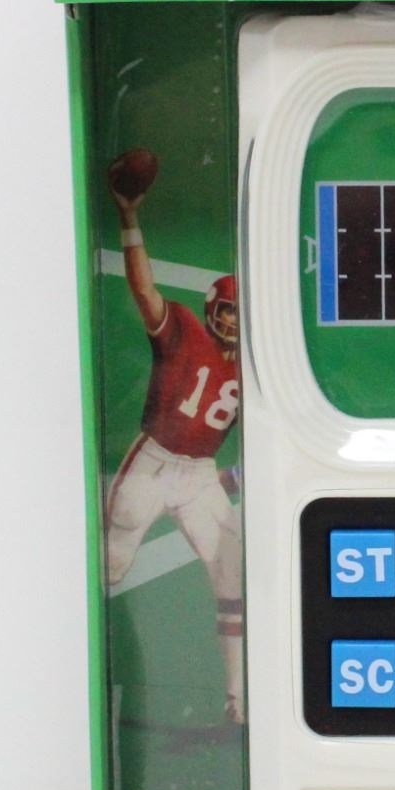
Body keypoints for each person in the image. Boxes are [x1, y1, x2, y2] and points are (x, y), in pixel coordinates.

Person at [105, 176, 244, 722]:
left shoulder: (252, 368)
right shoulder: (184, 329)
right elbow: (145, 293)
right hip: (154, 460)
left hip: (200, 473)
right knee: (112, 562)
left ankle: (238, 697)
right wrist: (130, 218)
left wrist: (230, 479)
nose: (231, 319)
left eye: (238, 311)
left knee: (231, 575)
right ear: (211, 310)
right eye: (226, 309)